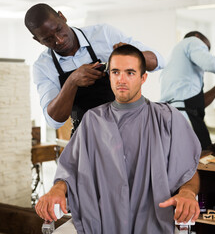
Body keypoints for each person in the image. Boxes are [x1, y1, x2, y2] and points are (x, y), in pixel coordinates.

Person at [35, 45, 201, 234]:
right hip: (101, 219)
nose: (121, 79)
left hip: (152, 219)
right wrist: (57, 189)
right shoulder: (92, 120)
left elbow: (189, 170)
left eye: (130, 72)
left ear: (143, 78)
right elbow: (70, 168)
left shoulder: (167, 118)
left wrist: (188, 193)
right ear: (110, 76)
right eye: (115, 72)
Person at [24, 3, 164, 132]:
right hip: (87, 137)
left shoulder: (104, 34)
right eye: (48, 39)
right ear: (37, 40)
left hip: (130, 127)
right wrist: (72, 82)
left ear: (63, 17)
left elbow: (158, 61)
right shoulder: (43, 67)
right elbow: (54, 121)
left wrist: (132, 56)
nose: (59, 40)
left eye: (59, 29)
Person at [160, 31, 215, 150]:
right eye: (205, 49)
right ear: (198, 37)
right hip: (185, 118)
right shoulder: (192, 41)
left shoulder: (175, 63)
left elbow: (198, 103)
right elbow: (212, 64)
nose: (205, 52)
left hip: (177, 115)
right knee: (204, 159)